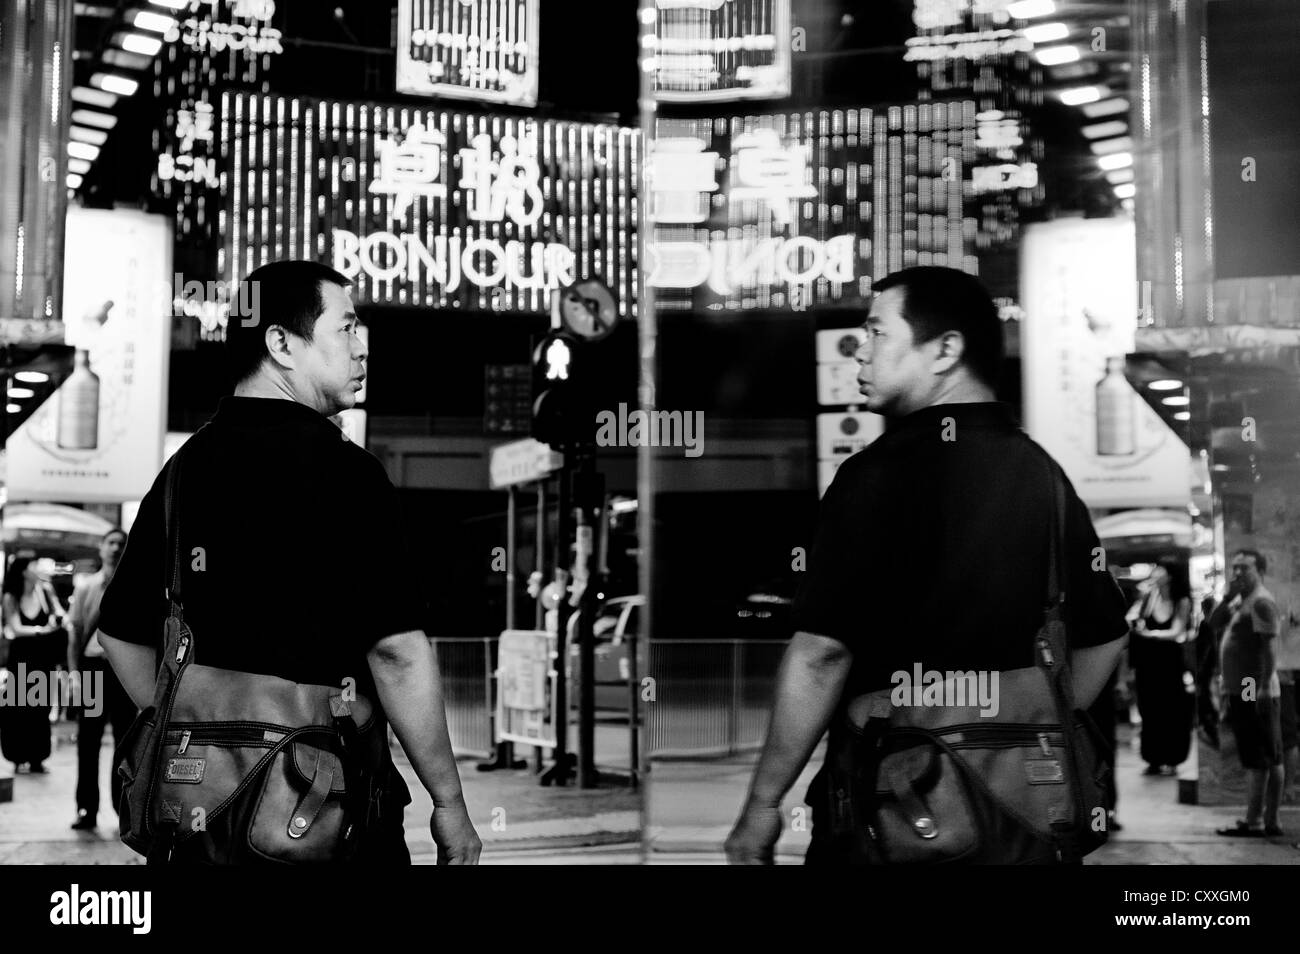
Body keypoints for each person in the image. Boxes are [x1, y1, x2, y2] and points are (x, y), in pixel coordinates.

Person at [724, 266, 1129, 865]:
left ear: (944, 350)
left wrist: (762, 806)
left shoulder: (874, 476)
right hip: (1023, 822)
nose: (860, 350)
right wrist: (1024, 720)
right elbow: (1106, 637)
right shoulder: (1043, 475)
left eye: (878, 332)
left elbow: (822, 655)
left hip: (892, 815)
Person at [97, 260, 481, 864]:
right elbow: (396, 653)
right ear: (280, 343)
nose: (362, 350)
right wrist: (450, 802)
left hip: (200, 828)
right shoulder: (350, 473)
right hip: (328, 818)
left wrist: (199, 724)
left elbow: (119, 632)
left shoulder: (182, 472)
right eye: (347, 328)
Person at [67, 528, 137, 832]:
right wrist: (74, 674)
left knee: (125, 744)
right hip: (93, 671)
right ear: (100, 548)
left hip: (123, 672)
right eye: (110, 543)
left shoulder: (135, 587)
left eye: (121, 544)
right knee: (88, 742)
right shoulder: (86, 587)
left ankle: (121, 808)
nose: (115, 548)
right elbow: (76, 635)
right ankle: (87, 808)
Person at [1215, 548, 1284, 838]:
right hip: (1245, 688)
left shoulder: (1261, 602)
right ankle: (1266, 820)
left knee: (1260, 756)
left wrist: (1260, 689)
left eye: (1245, 568)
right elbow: (1212, 625)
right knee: (1263, 753)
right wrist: (1228, 596)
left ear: (1260, 570)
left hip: (1252, 689)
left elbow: (1269, 650)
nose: (1238, 573)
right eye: (1234, 568)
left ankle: (1257, 821)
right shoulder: (1242, 601)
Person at [1126, 560, 1194, 775]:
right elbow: (1130, 619)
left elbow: (1177, 631)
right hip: (1150, 664)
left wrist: (1150, 634)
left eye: (1160, 569)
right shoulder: (1148, 597)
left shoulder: (1181, 600)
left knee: (1172, 710)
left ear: (1170, 575)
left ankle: (1172, 758)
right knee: (1150, 710)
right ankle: (1153, 759)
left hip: (1170, 663)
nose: (1155, 572)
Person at [1, 557, 67, 773]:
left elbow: (60, 614)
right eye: (33, 565)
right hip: (20, 657)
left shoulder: (45, 590)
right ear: (23, 571)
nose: (37, 568)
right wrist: (42, 629)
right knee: (18, 706)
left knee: (41, 708)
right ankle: (17, 756)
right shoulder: (11, 595)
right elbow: (15, 628)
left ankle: (38, 757)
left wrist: (57, 620)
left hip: (42, 657)